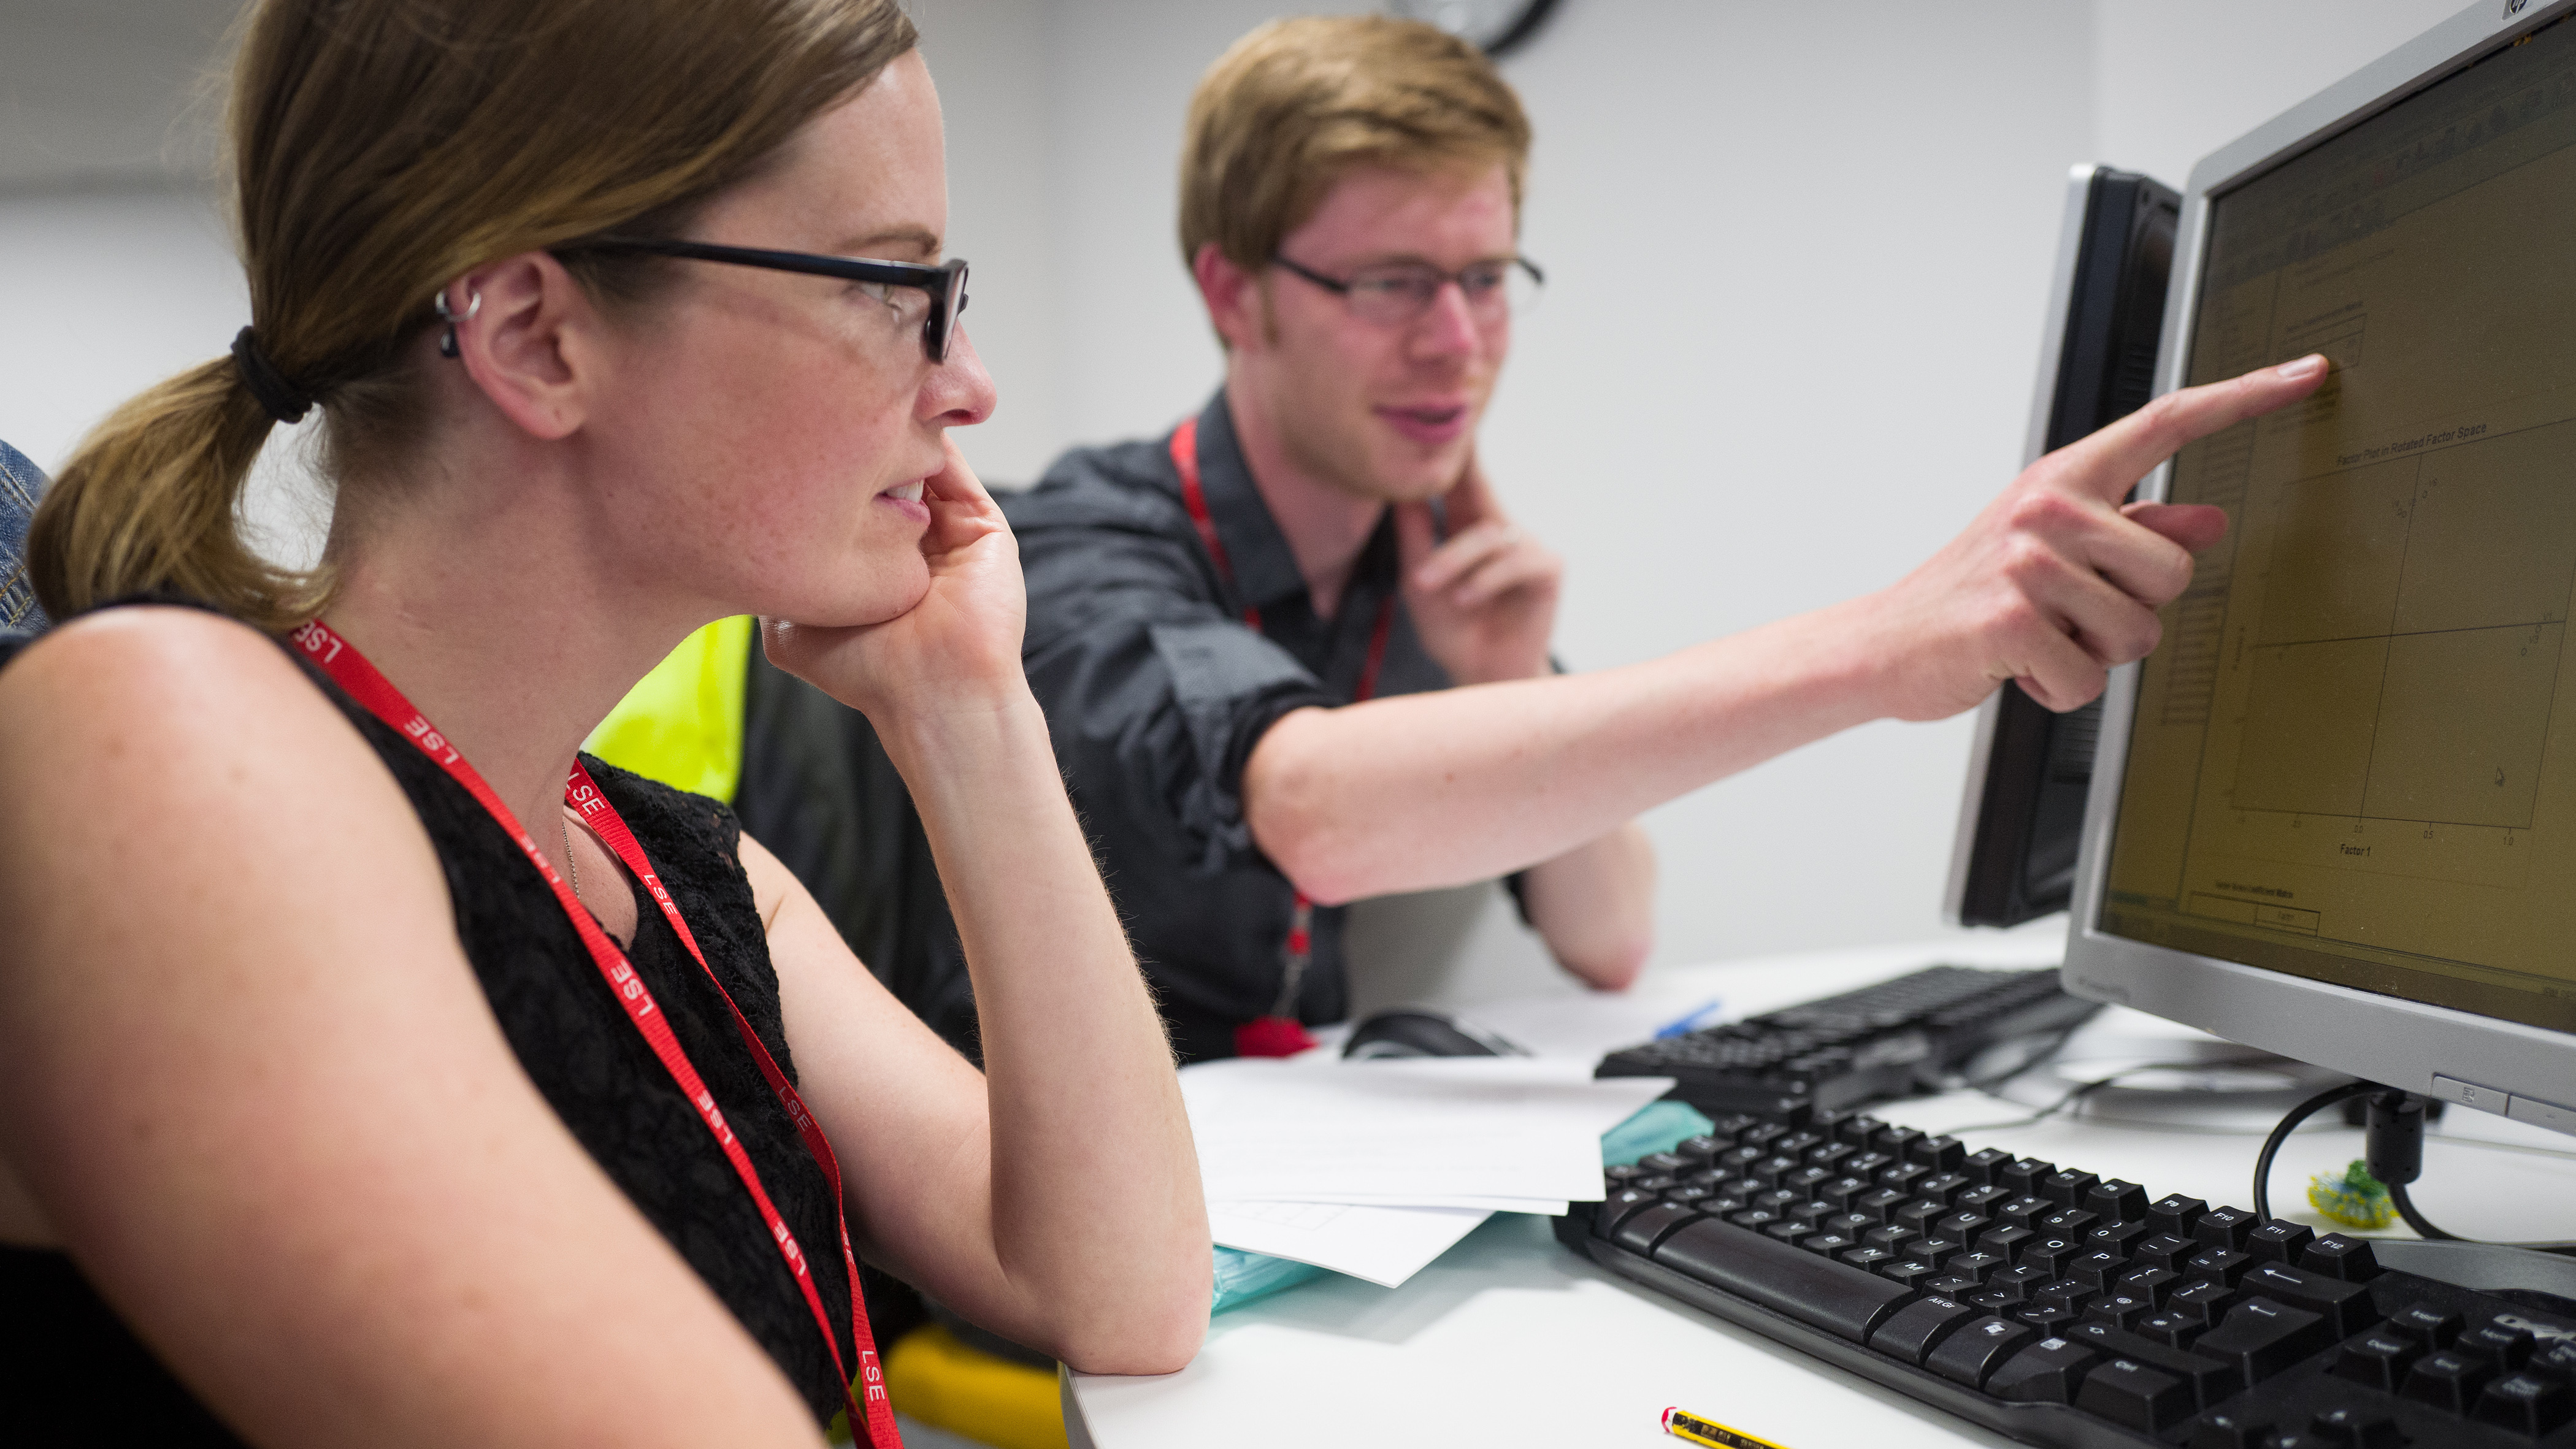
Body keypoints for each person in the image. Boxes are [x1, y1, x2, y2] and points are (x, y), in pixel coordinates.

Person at [0, 2, 1206, 1445]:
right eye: (884, 289)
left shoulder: (677, 871)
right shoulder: (165, 760)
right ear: (534, 337)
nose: (967, 382)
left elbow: (1118, 1287)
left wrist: (967, 709)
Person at [997, 16, 2326, 1063]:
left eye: (1484, 280)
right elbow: (1315, 815)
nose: (1458, 347)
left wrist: (1512, 676)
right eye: (1393, 283)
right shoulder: (1077, 546)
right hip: (1042, 1222)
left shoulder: (1432, 558)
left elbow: (1612, 939)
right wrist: (1882, 643)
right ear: (1234, 291)